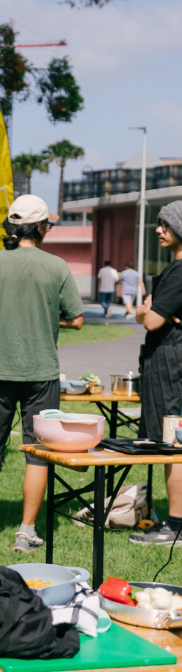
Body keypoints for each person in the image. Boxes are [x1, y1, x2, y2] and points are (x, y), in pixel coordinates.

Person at [0, 194, 84, 552]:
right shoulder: (57, 267)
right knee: (37, 451)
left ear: (11, 226)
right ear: (42, 228)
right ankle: (26, 533)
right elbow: (77, 319)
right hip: (42, 371)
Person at [129, 202, 182, 546]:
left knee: (174, 445)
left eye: (165, 224)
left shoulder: (179, 272)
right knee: (172, 442)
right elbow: (142, 314)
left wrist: (147, 310)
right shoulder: (172, 269)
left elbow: (147, 318)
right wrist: (146, 311)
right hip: (166, 361)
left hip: (171, 366)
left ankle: (176, 526)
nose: (158, 230)